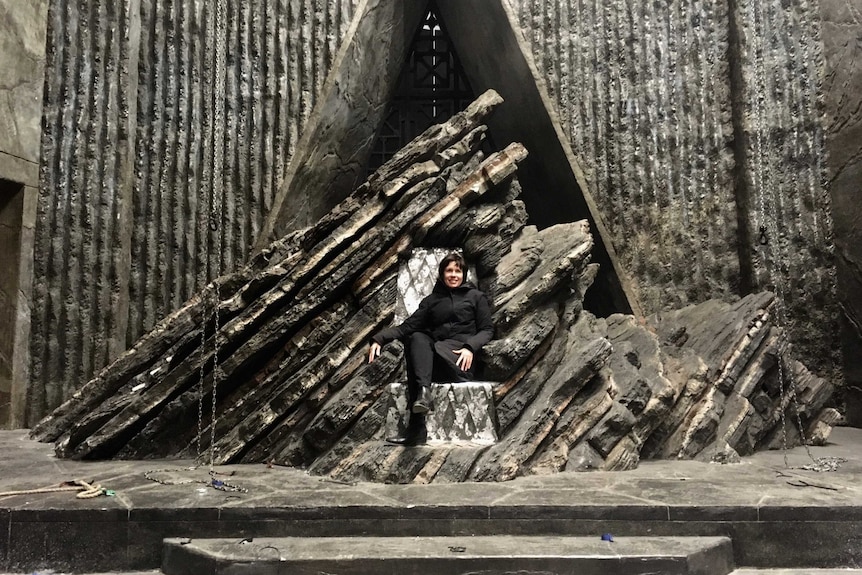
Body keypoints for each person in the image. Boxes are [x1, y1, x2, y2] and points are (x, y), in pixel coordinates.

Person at [368, 252, 494, 445]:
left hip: (459, 361)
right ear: (442, 274)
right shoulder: (432, 301)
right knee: (416, 337)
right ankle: (423, 401)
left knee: (419, 357)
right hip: (433, 366)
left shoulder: (476, 297)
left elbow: (487, 330)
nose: (453, 275)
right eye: (449, 271)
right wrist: (378, 339)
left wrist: (470, 347)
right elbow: (407, 326)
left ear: (464, 274)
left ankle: (416, 426)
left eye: (457, 271)